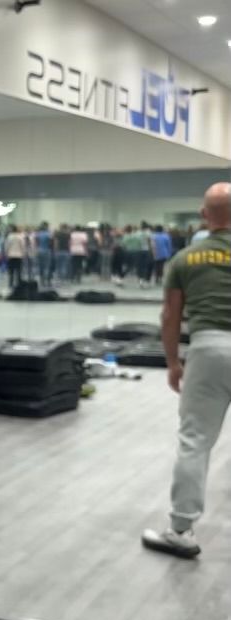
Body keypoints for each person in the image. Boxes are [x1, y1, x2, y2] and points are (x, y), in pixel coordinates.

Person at [142, 182, 231, 560]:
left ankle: (180, 530)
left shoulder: (184, 259)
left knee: (195, 441)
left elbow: (169, 317)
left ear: (203, 215)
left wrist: (173, 362)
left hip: (208, 349)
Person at [5, 224, 27, 290]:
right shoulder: (20, 237)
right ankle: (18, 285)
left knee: (11, 272)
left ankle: (10, 284)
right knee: (19, 272)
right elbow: (23, 246)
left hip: (11, 256)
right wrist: (23, 254)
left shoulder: (9, 237)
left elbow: (6, 246)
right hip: (19, 256)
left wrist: (6, 253)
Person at [34, 222, 53, 288]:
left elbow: (36, 242)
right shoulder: (48, 234)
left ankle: (42, 280)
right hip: (46, 251)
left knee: (40, 266)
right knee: (47, 267)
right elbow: (51, 243)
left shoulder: (38, 234)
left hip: (39, 250)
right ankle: (46, 281)